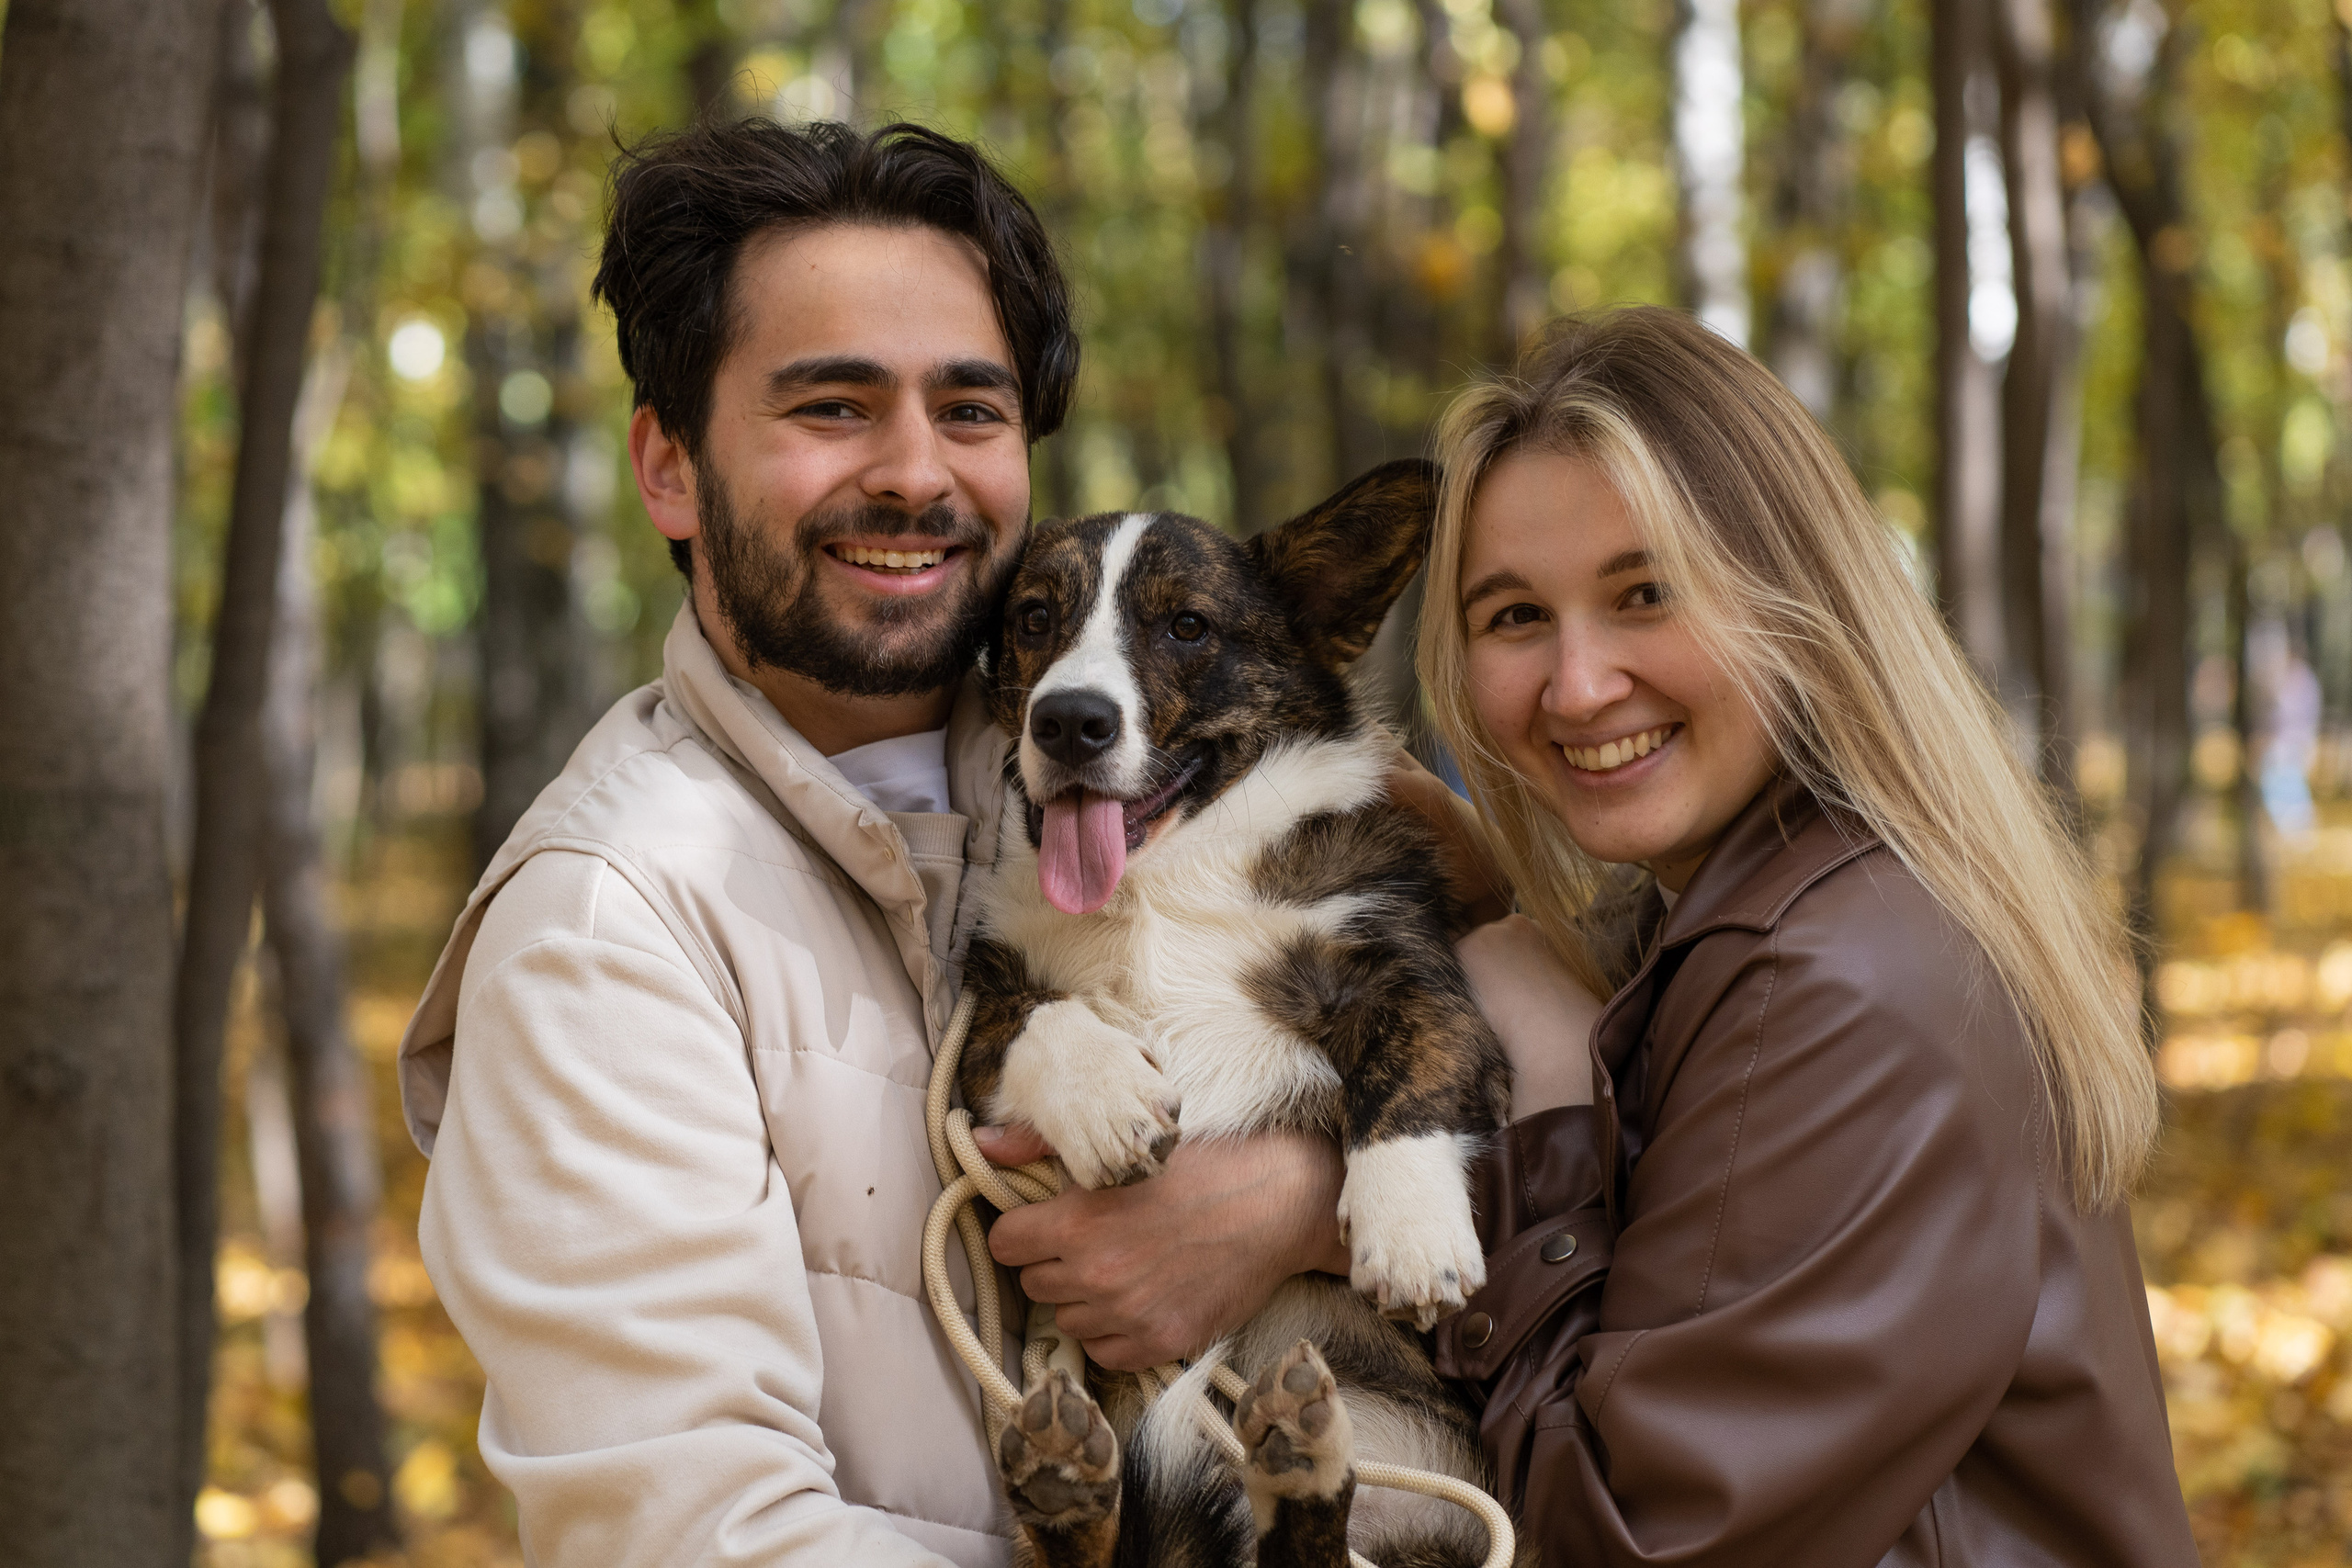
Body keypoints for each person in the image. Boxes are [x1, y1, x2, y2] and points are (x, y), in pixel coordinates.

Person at [395, 118, 1367, 1566]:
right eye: (834, 407)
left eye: (969, 410)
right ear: (669, 466)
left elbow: (1567, 1087)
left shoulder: (1187, 769)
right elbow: (702, 1538)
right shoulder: (610, 926)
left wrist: (1303, 1205)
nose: (917, 473)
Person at [1413, 307, 2201, 1565]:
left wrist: (1549, 1108)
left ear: (1793, 599)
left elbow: (1630, 1541)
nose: (1578, 684)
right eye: (1514, 617)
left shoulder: (1836, 976)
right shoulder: (1761, 909)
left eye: (1647, 593)